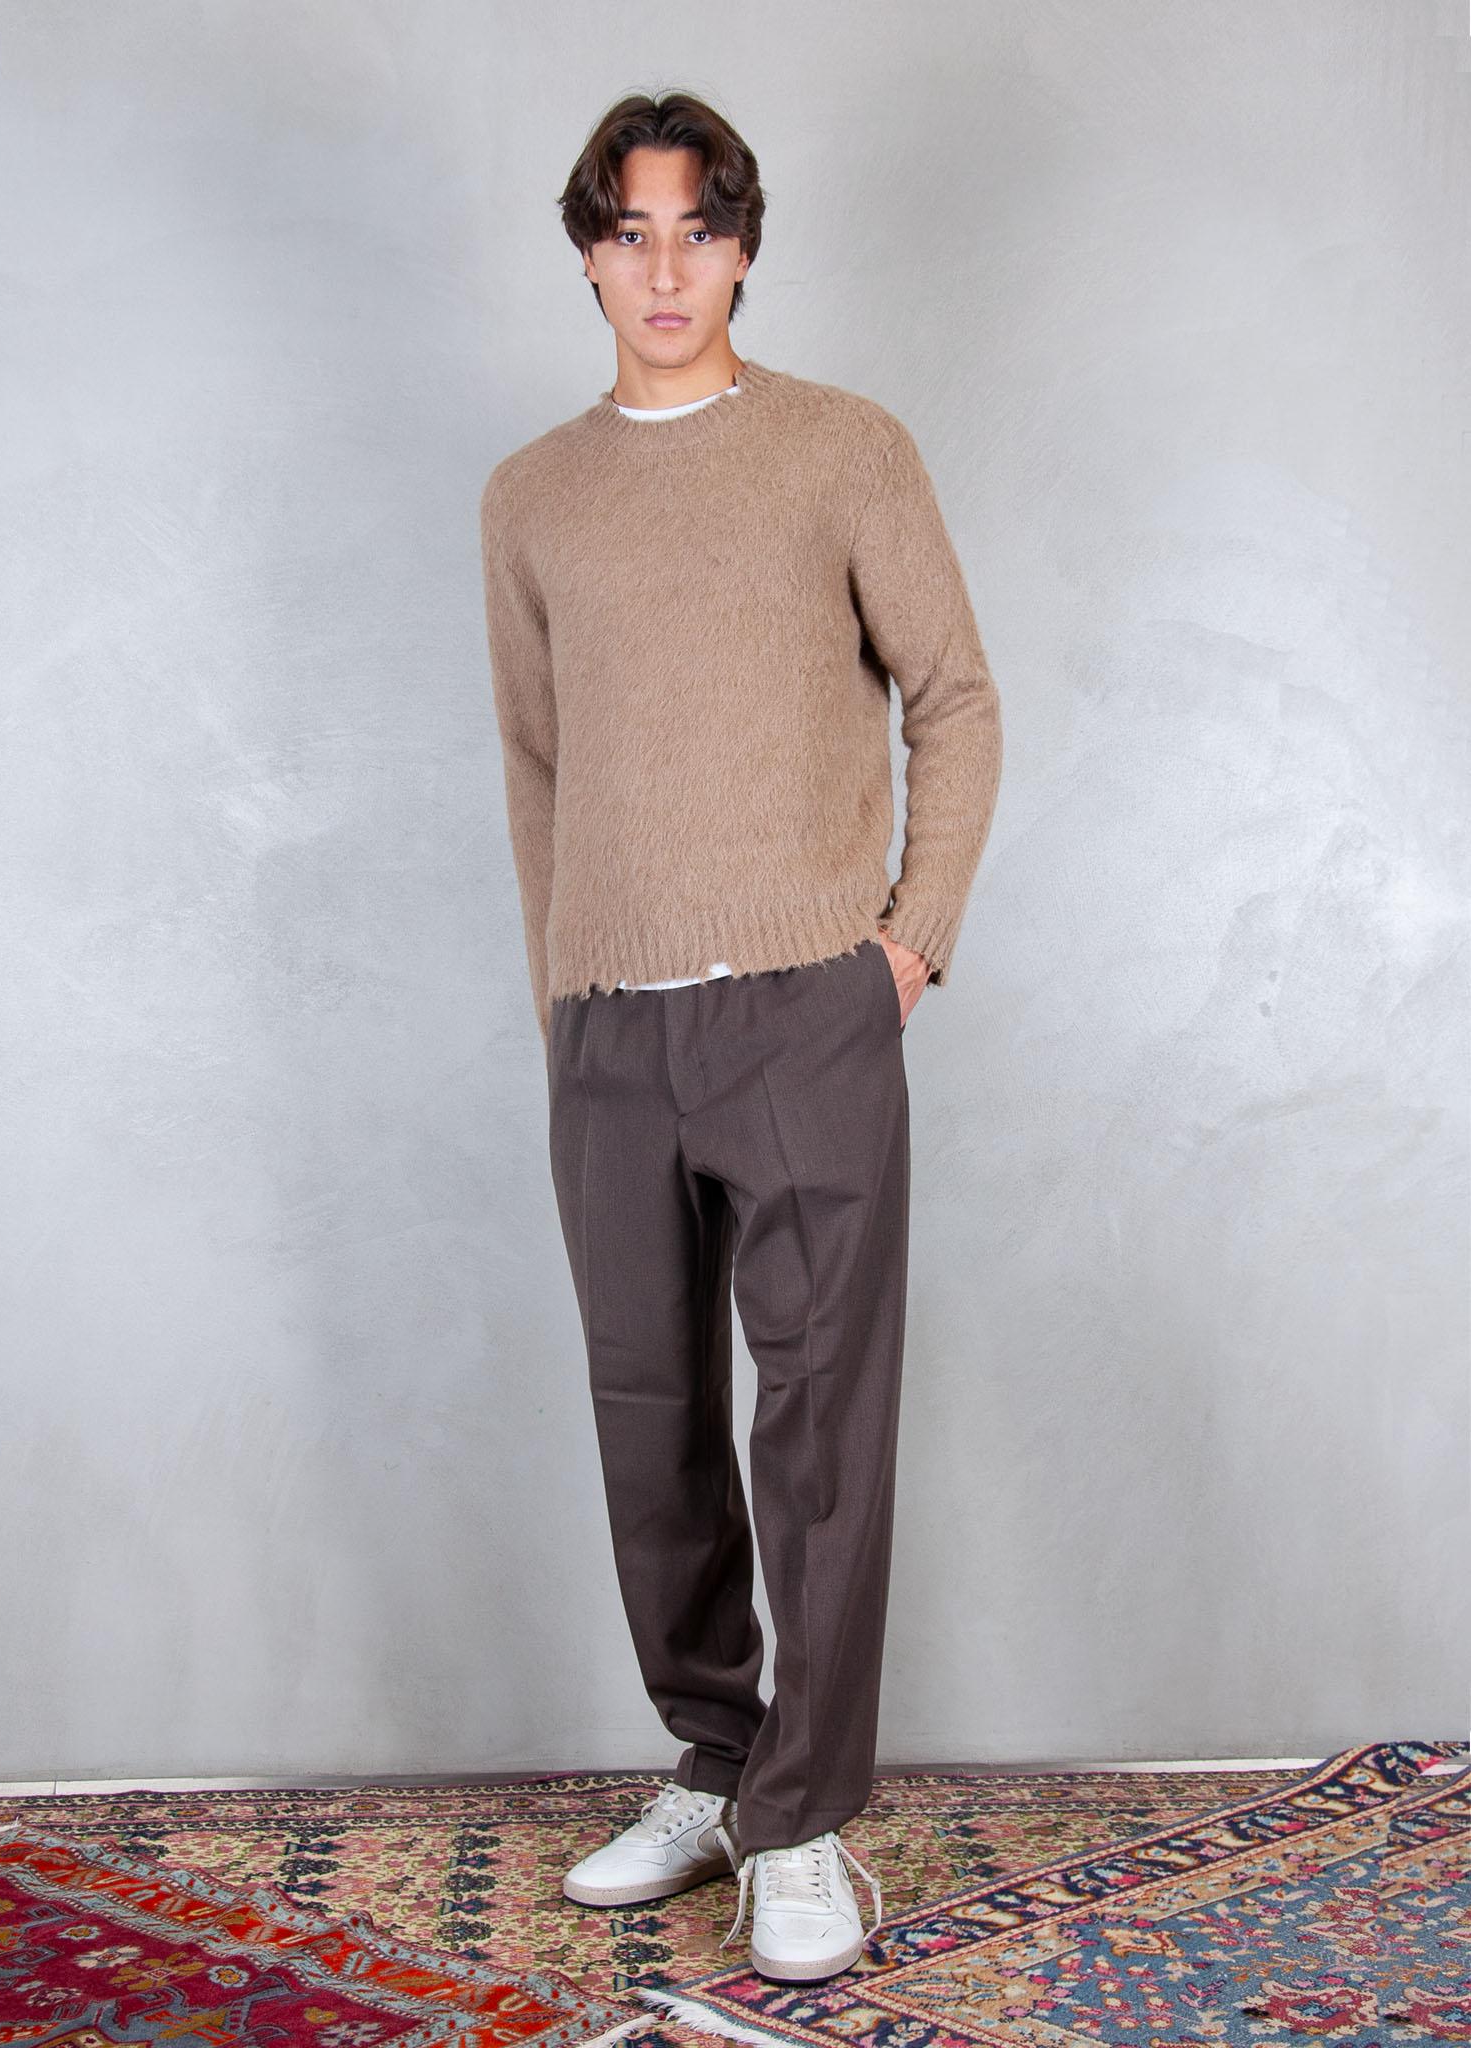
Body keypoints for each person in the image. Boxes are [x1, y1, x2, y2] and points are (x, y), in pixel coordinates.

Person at [477, 88, 1003, 1985]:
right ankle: (714, 1760)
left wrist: (905, 949)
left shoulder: (843, 449)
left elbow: (954, 700)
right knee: (651, 1424)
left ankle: (804, 1821)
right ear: (586, 254)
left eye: (697, 230)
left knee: (821, 1428)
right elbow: (538, 767)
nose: (664, 268)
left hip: (806, 1013)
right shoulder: (530, 496)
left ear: (745, 246)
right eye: (629, 232)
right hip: (610, 1031)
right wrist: (559, 996)